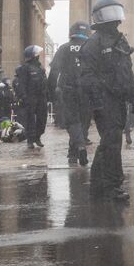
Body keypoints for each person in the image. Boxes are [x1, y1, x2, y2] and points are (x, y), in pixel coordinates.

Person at [79, 0, 134, 201]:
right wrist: (97, 101)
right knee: (112, 143)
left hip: (119, 99)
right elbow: (88, 77)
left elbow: (127, 71)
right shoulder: (93, 44)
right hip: (105, 100)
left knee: (110, 142)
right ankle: (112, 186)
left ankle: (98, 186)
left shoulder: (120, 41)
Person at [49, 22, 91, 166]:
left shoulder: (64, 48)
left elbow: (54, 71)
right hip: (88, 89)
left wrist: (50, 92)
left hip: (68, 89)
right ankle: (73, 153)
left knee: (73, 122)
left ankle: (78, 147)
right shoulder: (91, 47)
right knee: (84, 121)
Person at [14, 45, 48, 151]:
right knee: (30, 120)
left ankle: (38, 136)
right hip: (30, 97)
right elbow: (21, 84)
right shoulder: (24, 68)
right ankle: (30, 140)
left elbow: (45, 83)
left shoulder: (41, 68)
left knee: (42, 119)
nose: (38, 55)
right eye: (36, 53)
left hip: (41, 97)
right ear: (32, 55)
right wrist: (23, 97)